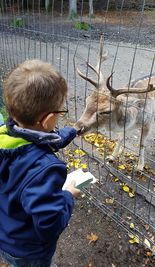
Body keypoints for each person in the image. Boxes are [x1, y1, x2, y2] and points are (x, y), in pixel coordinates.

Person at [0, 59, 80, 267]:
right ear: (48, 120)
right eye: (61, 113)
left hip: (6, 233)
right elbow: (49, 224)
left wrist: (72, 131)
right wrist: (68, 195)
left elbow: (40, 140)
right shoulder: (45, 170)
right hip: (28, 251)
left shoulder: (6, 136)